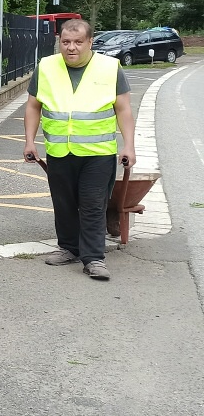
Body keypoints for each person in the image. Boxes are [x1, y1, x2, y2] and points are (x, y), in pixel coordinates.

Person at [23, 18, 135, 281]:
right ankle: (69, 248)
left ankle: (94, 258)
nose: (71, 47)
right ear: (59, 42)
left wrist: (129, 146)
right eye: (65, 42)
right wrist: (29, 141)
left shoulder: (110, 68)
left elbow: (123, 109)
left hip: (98, 153)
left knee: (93, 205)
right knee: (64, 204)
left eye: (77, 42)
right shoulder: (46, 67)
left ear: (90, 42)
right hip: (59, 151)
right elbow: (33, 106)